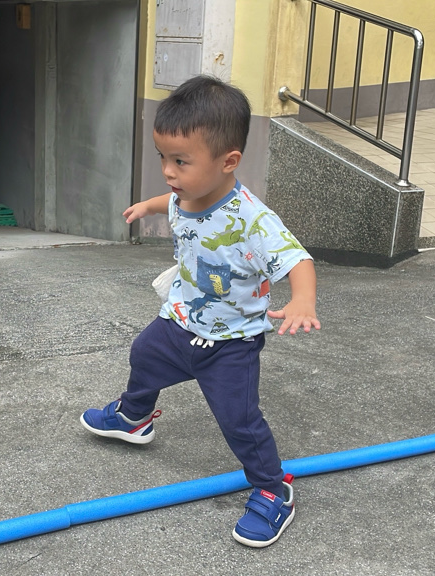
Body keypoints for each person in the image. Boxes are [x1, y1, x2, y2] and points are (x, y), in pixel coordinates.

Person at [80, 75, 320, 548]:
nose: (168, 172)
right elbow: (170, 201)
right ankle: (134, 417)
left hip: (230, 345)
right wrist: (145, 207)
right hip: (179, 323)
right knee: (143, 355)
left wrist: (302, 300)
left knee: (240, 421)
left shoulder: (252, 220)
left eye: (180, 161)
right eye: (163, 158)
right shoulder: (184, 195)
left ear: (228, 161)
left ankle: (273, 491)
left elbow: (298, 259)